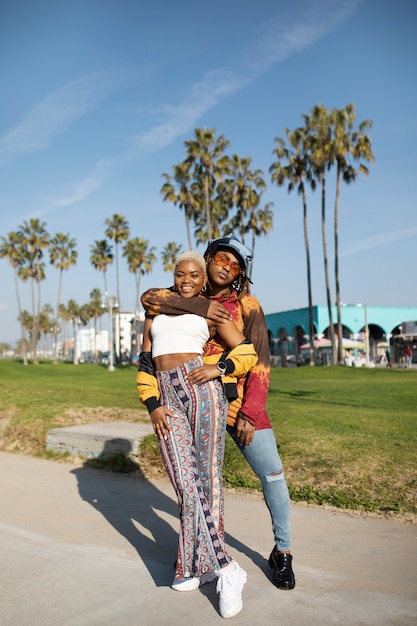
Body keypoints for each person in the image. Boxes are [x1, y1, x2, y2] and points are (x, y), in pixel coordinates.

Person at [141, 235, 296, 590]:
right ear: (208, 259)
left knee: (272, 473)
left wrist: (250, 412)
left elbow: (260, 360)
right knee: (196, 481)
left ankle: (283, 552)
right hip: (191, 399)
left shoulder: (247, 305)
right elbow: (149, 299)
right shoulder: (180, 296)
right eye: (222, 259)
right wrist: (197, 307)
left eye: (236, 265)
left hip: (237, 403)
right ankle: (199, 558)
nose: (227, 267)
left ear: (241, 274)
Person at [136, 251, 258, 619]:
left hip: (202, 389)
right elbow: (144, 361)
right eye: (180, 273)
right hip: (167, 397)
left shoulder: (212, 310)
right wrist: (152, 403)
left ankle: (196, 567)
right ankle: (228, 568)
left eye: (194, 274)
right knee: (186, 484)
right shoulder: (157, 307)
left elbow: (247, 351)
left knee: (207, 481)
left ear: (204, 279)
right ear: (174, 276)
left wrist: (218, 367)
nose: (186, 279)